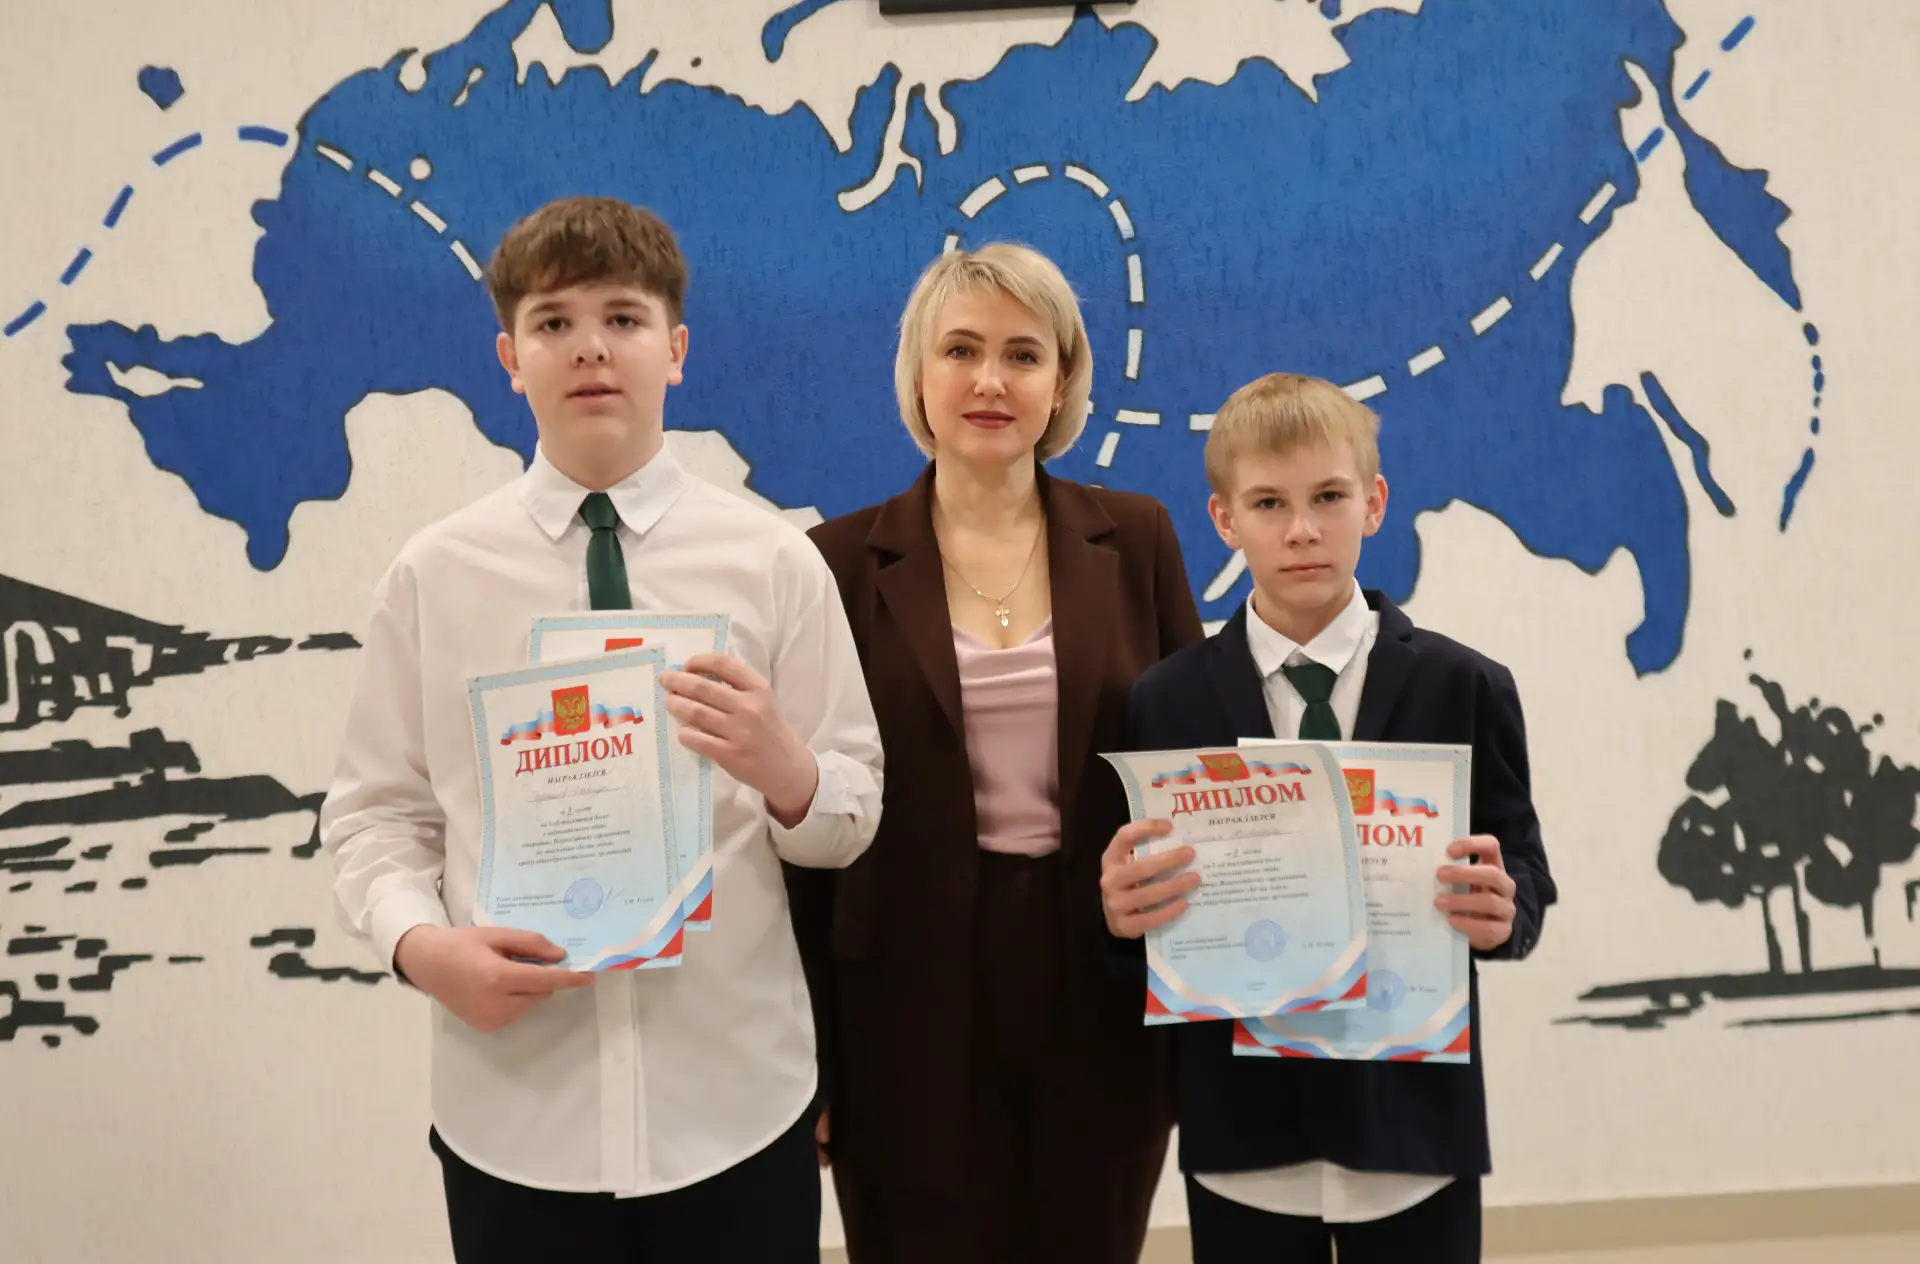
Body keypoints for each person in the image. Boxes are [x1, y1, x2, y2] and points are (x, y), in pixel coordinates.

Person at [318, 196, 883, 1263]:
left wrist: (789, 772)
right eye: (553, 322)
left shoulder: (774, 561)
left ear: (676, 350)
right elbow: (374, 817)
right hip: (515, 1116)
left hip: (736, 1109)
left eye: (623, 318)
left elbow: (851, 815)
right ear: (509, 358)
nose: (589, 347)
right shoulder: (434, 576)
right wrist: (420, 946)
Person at [791, 243, 1205, 1263]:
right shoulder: (833, 563)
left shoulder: (1138, 538)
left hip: (1102, 984)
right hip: (899, 1000)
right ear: (918, 376)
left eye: (1023, 354)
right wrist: (813, 1058)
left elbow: (1199, 773)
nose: (990, 379)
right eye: (961, 350)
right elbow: (804, 829)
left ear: (1062, 382)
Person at [1099, 373, 1556, 1263]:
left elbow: (1527, 878)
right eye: (1269, 503)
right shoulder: (1165, 702)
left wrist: (1507, 914)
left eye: (1329, 498)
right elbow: (1136, 920)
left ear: (1374, 504)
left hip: (1414, 1130)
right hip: (1243, 1135)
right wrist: (1118, 915)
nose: (1302, 529)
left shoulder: (1465, 685)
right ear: (1225, 520)